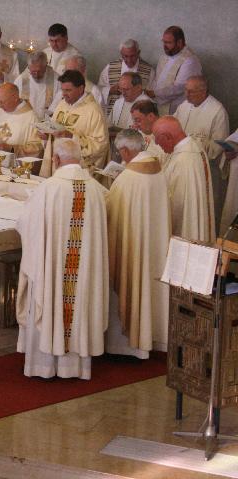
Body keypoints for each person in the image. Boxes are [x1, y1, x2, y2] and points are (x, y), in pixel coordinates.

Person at [16, 138, 108, 380]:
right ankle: (75, 368)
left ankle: (44, 366)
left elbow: (25, 224)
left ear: (55, 159)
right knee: (79, 302)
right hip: (83, 272)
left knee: (50, 296)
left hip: (53, 271)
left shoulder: (49, 188)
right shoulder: (96, 190)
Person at [106, 129, 170, 358]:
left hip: (133, 250)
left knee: (133, 284)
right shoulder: (158, 171)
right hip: (155, 249)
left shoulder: (128, 179)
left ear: (125, 150)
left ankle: (126, 346)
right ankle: (154, 336)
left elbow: (112, 215)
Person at [174, 75, 229, 227]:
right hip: (182, 164)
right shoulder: (184, 106)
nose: (186, 95)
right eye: (185, 90)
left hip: (205, 169)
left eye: (191, 91)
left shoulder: (217, 111)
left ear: (203, 91)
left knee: (202, 212)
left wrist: (192, 143)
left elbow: (218, 146)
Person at [152, 116, 215, 242]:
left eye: (158, 139)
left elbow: (177, 204)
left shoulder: (184, 160)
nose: (157, 144)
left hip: (185, 229)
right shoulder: (193, 147)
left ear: (168, 137)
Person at [39, 70, 108, 177]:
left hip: (77, 170)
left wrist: (72, 136)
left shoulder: (93, 111)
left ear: (81, 88)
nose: (64, 94)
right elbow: (53, 128)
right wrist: (46, 136)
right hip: (57, 163)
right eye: (62, 90)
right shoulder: (62, 104)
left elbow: (100, 145)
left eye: (68, 90)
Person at [97, 39, 155, 117]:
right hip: (115, 112)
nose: (129, 60)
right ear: (121, 54)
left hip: (139, 113)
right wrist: (110, 90)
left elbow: (153, 94)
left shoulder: (149, 70)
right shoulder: (110, 67)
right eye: (125, 56)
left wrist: (139, 91)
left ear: (138, 53)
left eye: (132, 56)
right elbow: (98, 90)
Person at [152, 26, 202, 115]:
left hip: (176, 109)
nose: (164, 46)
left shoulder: (190, 60)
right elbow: (157, 79)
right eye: (164, 42)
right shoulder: (164, 56)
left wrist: (154, 93)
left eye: (168, 42)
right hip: (159, 104)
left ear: (179, 42)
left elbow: (179, 87)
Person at [0, 83, 42, 158]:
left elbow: (37, 147)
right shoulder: (0, 112)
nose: (0, 106)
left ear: (15, 98)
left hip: (14, 164)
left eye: (2, 102)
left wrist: (11, 148)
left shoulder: (31, 118)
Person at [15, 51, 60, 120]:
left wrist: (48, 114)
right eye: (33, 72)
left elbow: (58, 101)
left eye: (39, 71)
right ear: (29, 67)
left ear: (46, 66)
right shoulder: (21, 80)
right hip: (27, 120)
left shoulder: (56, 79)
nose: (36, 75)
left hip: (47, 121)